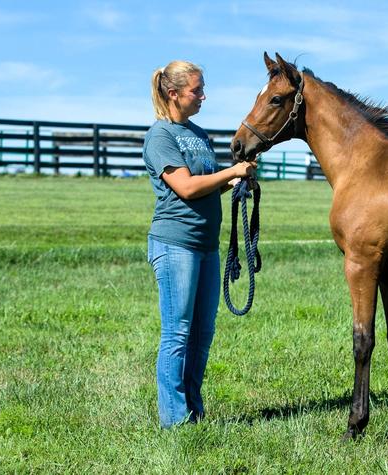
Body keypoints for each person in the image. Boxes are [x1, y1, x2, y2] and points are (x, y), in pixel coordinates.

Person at [143, 60, 256, 428]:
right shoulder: (160, 136)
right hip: (176, 244)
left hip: (206, 246)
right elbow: (187, 187)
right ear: (173, 94)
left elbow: (207, 182)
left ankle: (194, 409)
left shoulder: (198, 133)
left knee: (202, 332)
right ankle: (175, 420)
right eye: (196, 90)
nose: (203, 95)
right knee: (178, 331)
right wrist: (231, 171)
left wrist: (235, 182)